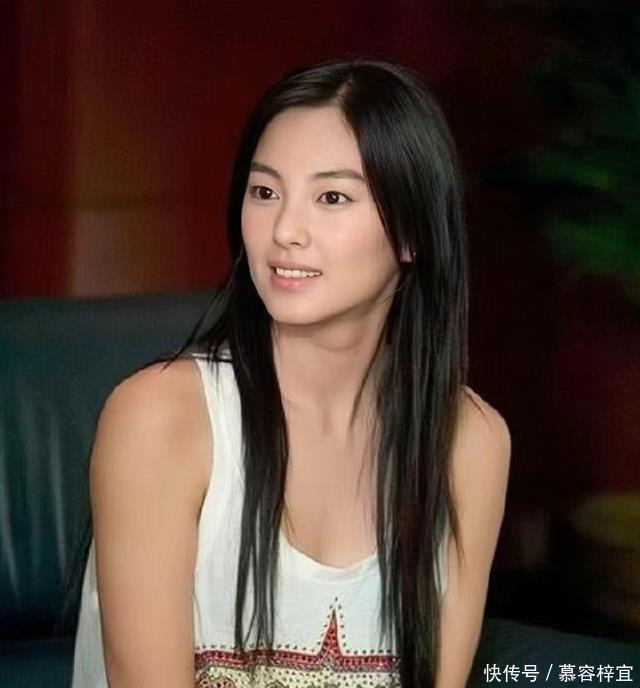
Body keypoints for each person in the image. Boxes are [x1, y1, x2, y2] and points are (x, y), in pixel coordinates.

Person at [69, 56, 511, 688]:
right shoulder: (161, 419)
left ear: (413, 231)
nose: (285, 231)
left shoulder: (469, 441)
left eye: (331, 197)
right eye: (265, 192)